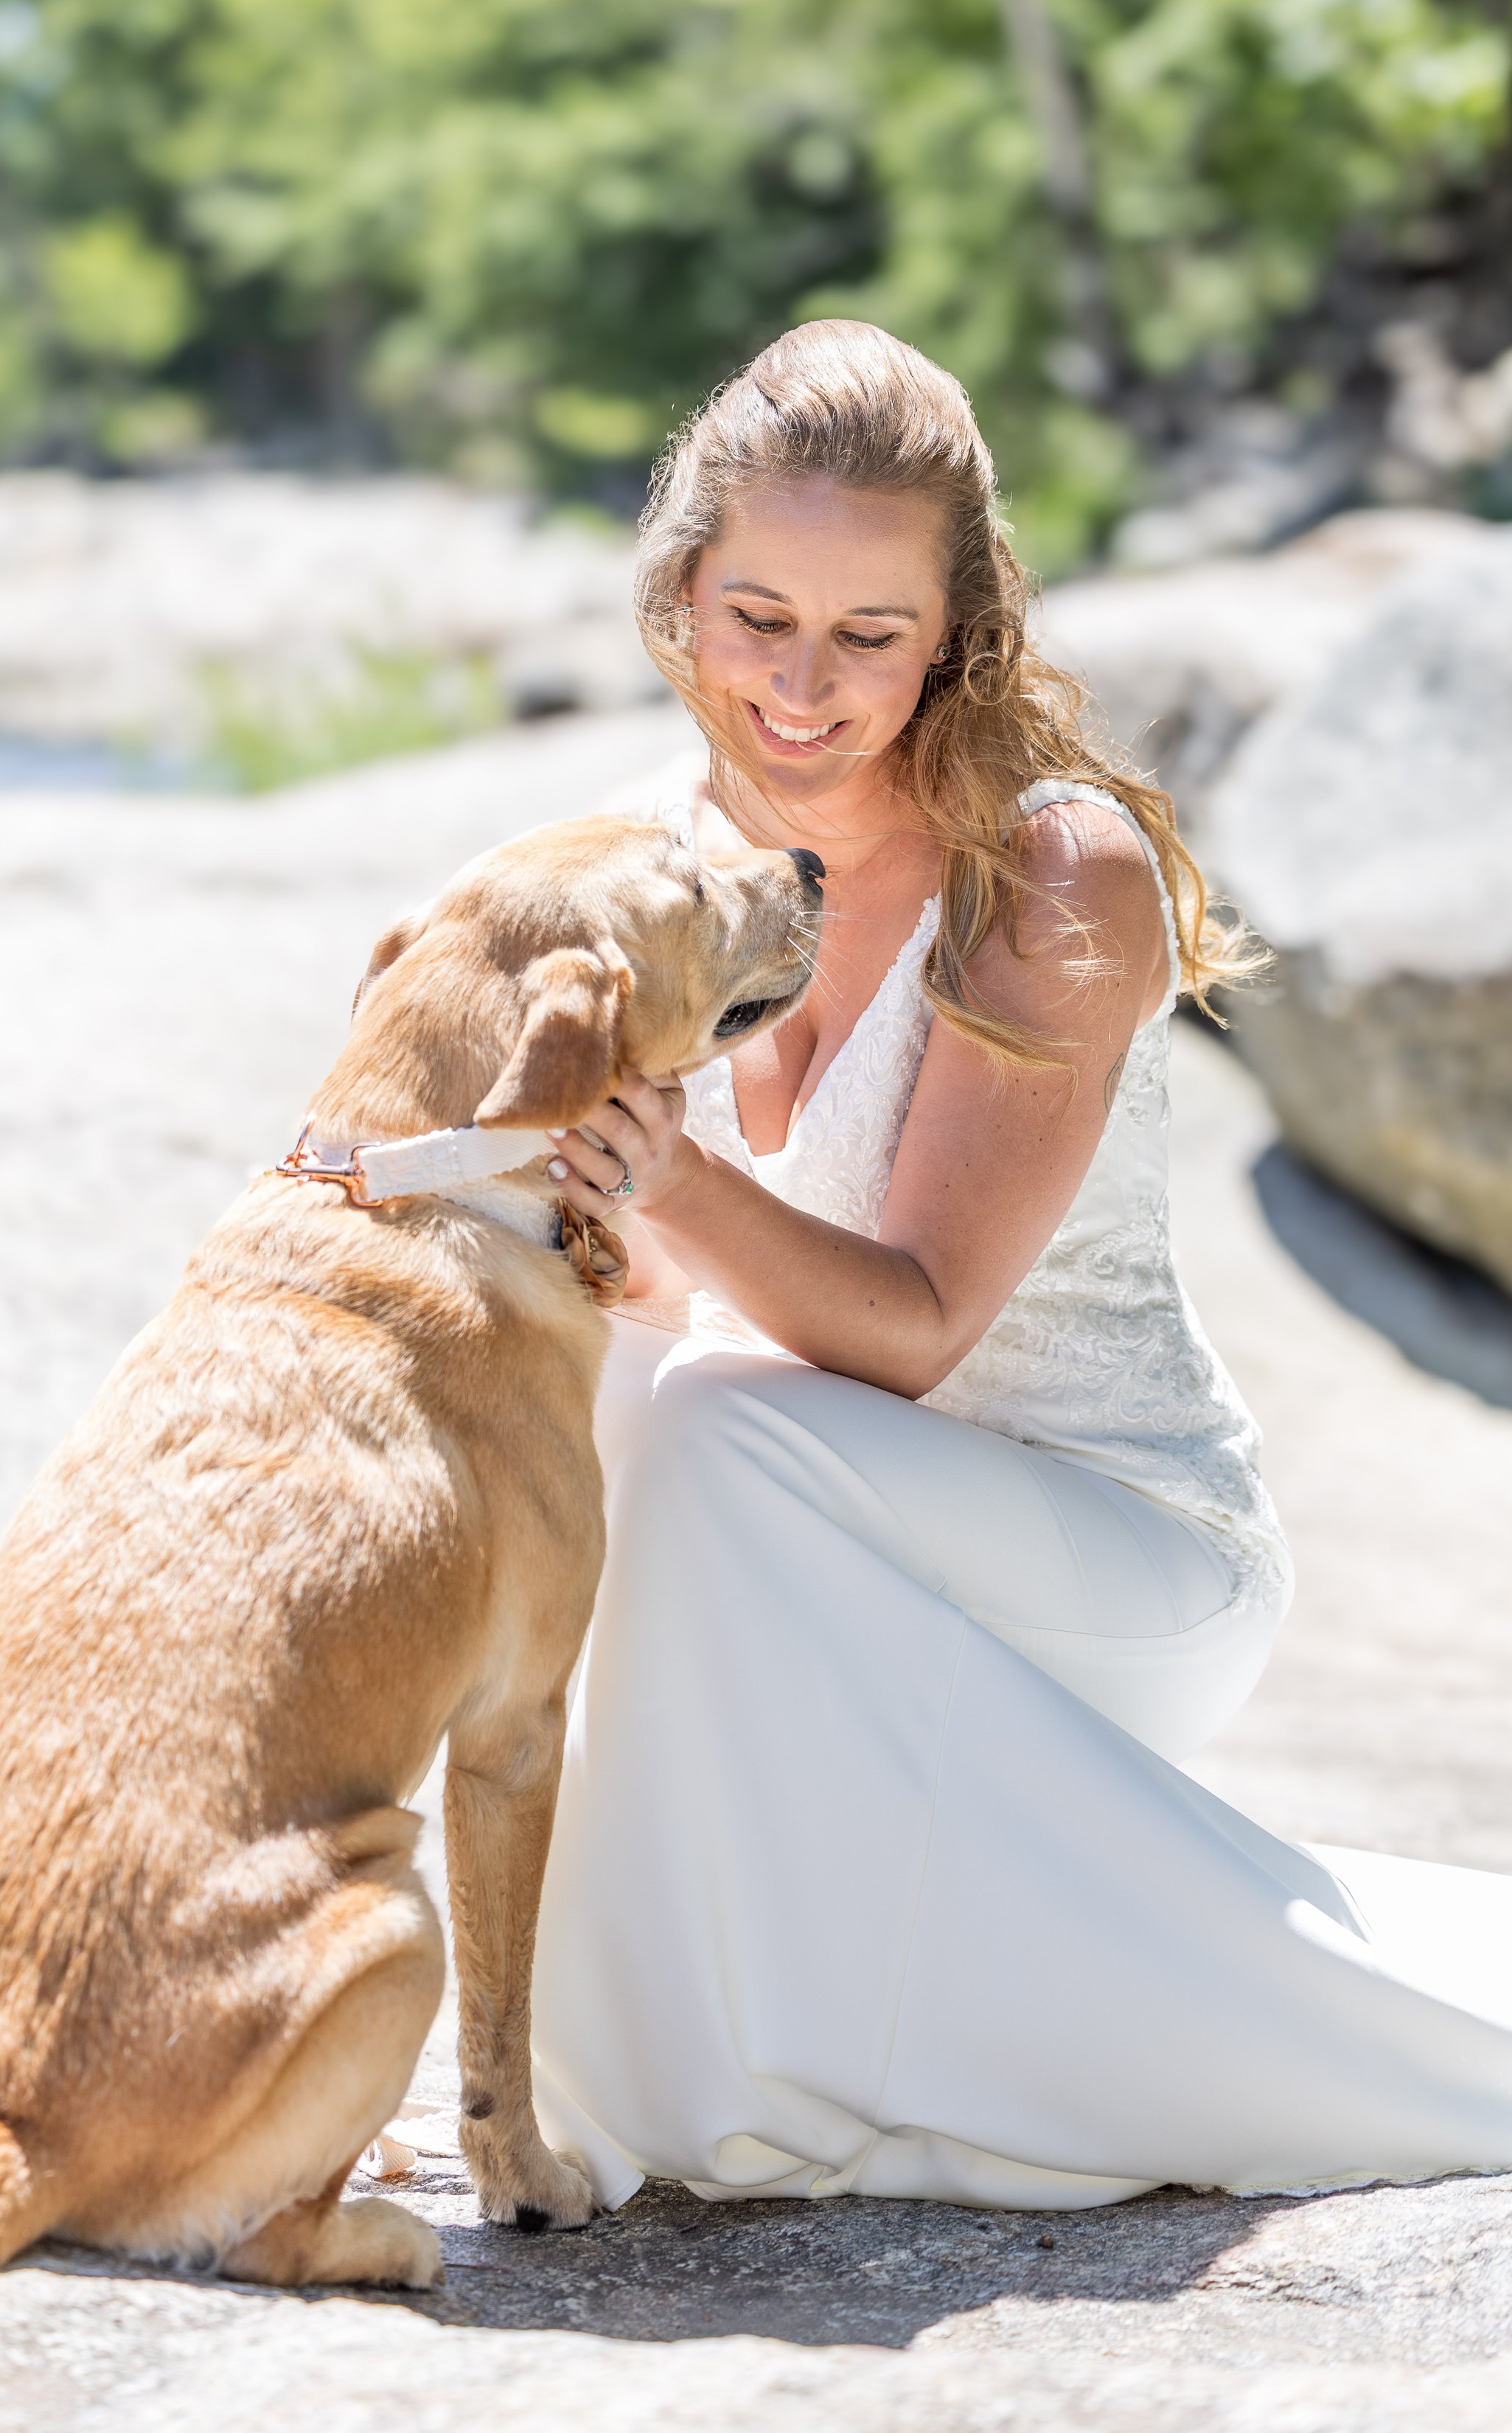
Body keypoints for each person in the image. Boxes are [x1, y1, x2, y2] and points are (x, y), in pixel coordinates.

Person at [526, 319, 1512, 2213]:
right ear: (677, 593)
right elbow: (635, 1317)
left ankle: (796, 2069)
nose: (799, 687)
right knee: (616, 1413)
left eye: (868, 636)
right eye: (757, 617)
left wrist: (670, 1181)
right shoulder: (649, 858)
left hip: (1107, 1545)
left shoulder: (1051, 873)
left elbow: (903, 1332)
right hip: (810, 1543)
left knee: (708, 1428)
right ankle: (625, 2058)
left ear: (957, 626)